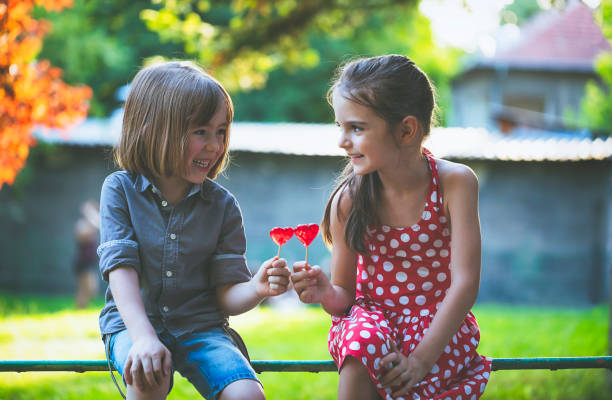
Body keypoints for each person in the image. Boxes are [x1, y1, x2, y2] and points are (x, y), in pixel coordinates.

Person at [291, 55, 491, 400]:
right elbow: (344, 299)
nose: (342, 141)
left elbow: (465, 283)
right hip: (371, 318)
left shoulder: (455, 183)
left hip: (438, 325)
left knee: (410, 376)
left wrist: (419, 361)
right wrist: (324, 292)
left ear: (406, 130)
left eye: (356, 128)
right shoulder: (350, 200)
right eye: (339, 127)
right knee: (362, 345)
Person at [98, 60, 291, 400]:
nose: (215, 146)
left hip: (202, 328)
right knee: (149, 375)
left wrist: (257, 287)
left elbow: (226, 296)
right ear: (154, 129)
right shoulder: (120, 191)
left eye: (221, 131)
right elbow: (121, 270)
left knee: (248, 394)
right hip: (135, 324)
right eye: (201, 131)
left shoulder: (223, 206)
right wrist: (143, 338)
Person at [74, 199, 100, 308]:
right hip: (82, 262)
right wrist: (90, 214)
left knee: (89, 289)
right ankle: (80, 308)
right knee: (87, 288)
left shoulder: (90, 224)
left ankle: (81, 308)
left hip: (89, 261)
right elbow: (94, 227)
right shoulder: (81, 224)